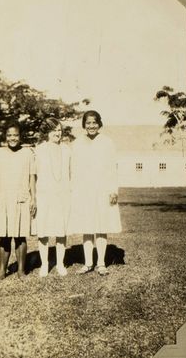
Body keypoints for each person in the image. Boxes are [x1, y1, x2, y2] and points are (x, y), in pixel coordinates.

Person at [68, 110, 122, 276]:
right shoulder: (76, 144)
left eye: (94, 122)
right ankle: (88, 263)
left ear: (99, 124)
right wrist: (73, 190)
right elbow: (73, 169)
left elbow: (112, 168)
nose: (91, 126)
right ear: (84, 125)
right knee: (87, 227)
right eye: (88, 123)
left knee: (101, 225)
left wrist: (113, 190)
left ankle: (100, 263)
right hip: (83, 190)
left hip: (102, 189)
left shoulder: (107, 142)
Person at [0, 121, 36, 280]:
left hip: (21, 198)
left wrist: (33, 199)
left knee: (21, 235)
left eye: (15, 135)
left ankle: (21, 271)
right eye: (9, 135)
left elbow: (31, 177)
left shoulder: (28, 153)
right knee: (4, 236)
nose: (12, 138)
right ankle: (2, 270)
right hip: (3, 198)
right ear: (5, 136)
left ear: (20, 136)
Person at [32, 117, 71, 277]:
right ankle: (44, 264)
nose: (58, 133)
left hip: (62, 193)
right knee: (43, 230)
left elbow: (71, 172)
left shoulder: (67, 149)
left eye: (59, 130)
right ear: (46, 132)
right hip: (44, 194)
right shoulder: (39, 149)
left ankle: (61, 264)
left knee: (61, 230)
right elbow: (33, 175)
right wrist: (33, 196)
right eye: (54, 130)